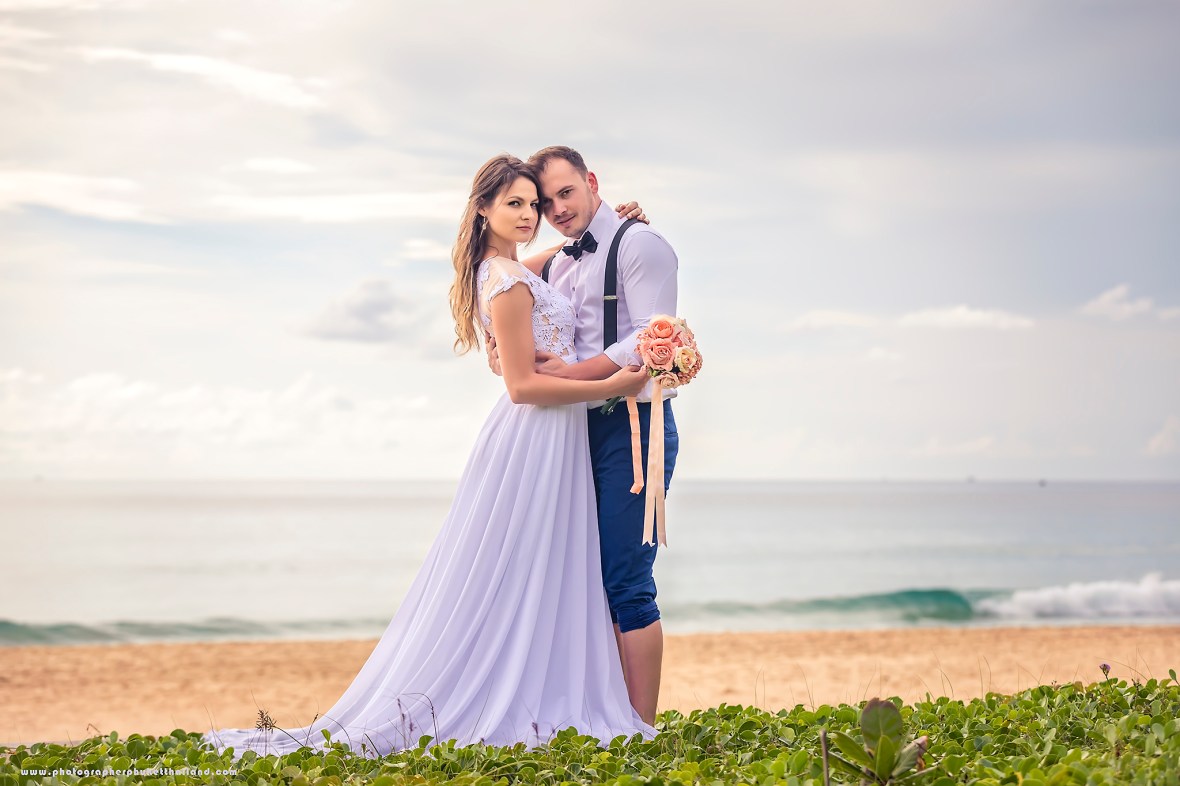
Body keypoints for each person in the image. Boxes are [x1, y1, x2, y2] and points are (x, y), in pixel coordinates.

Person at [201, 155, 654, 759]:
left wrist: (613, 227)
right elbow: (521, 386)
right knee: (518, 562)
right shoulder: (506, 279)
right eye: (515, 204)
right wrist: (611, 384)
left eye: (534, 204)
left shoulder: (509, 268)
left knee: (545, 564)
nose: (530, 215)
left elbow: (564, 257)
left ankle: (535, 680)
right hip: (538, 429)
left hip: (557, 432)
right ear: (484, 209)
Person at [490, 147, 679, 726]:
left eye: (566, 193)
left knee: (626, 581)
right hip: (568, 433)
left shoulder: (640, 245)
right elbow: (502, 295)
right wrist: (502, 354)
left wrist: (574, 374)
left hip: (631, 426)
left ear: (591, 181)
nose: (556, 209)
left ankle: (640, 728)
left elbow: (650, 338)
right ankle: (602, 715)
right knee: (576, 578)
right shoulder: (556, 263)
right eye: (544, 202)